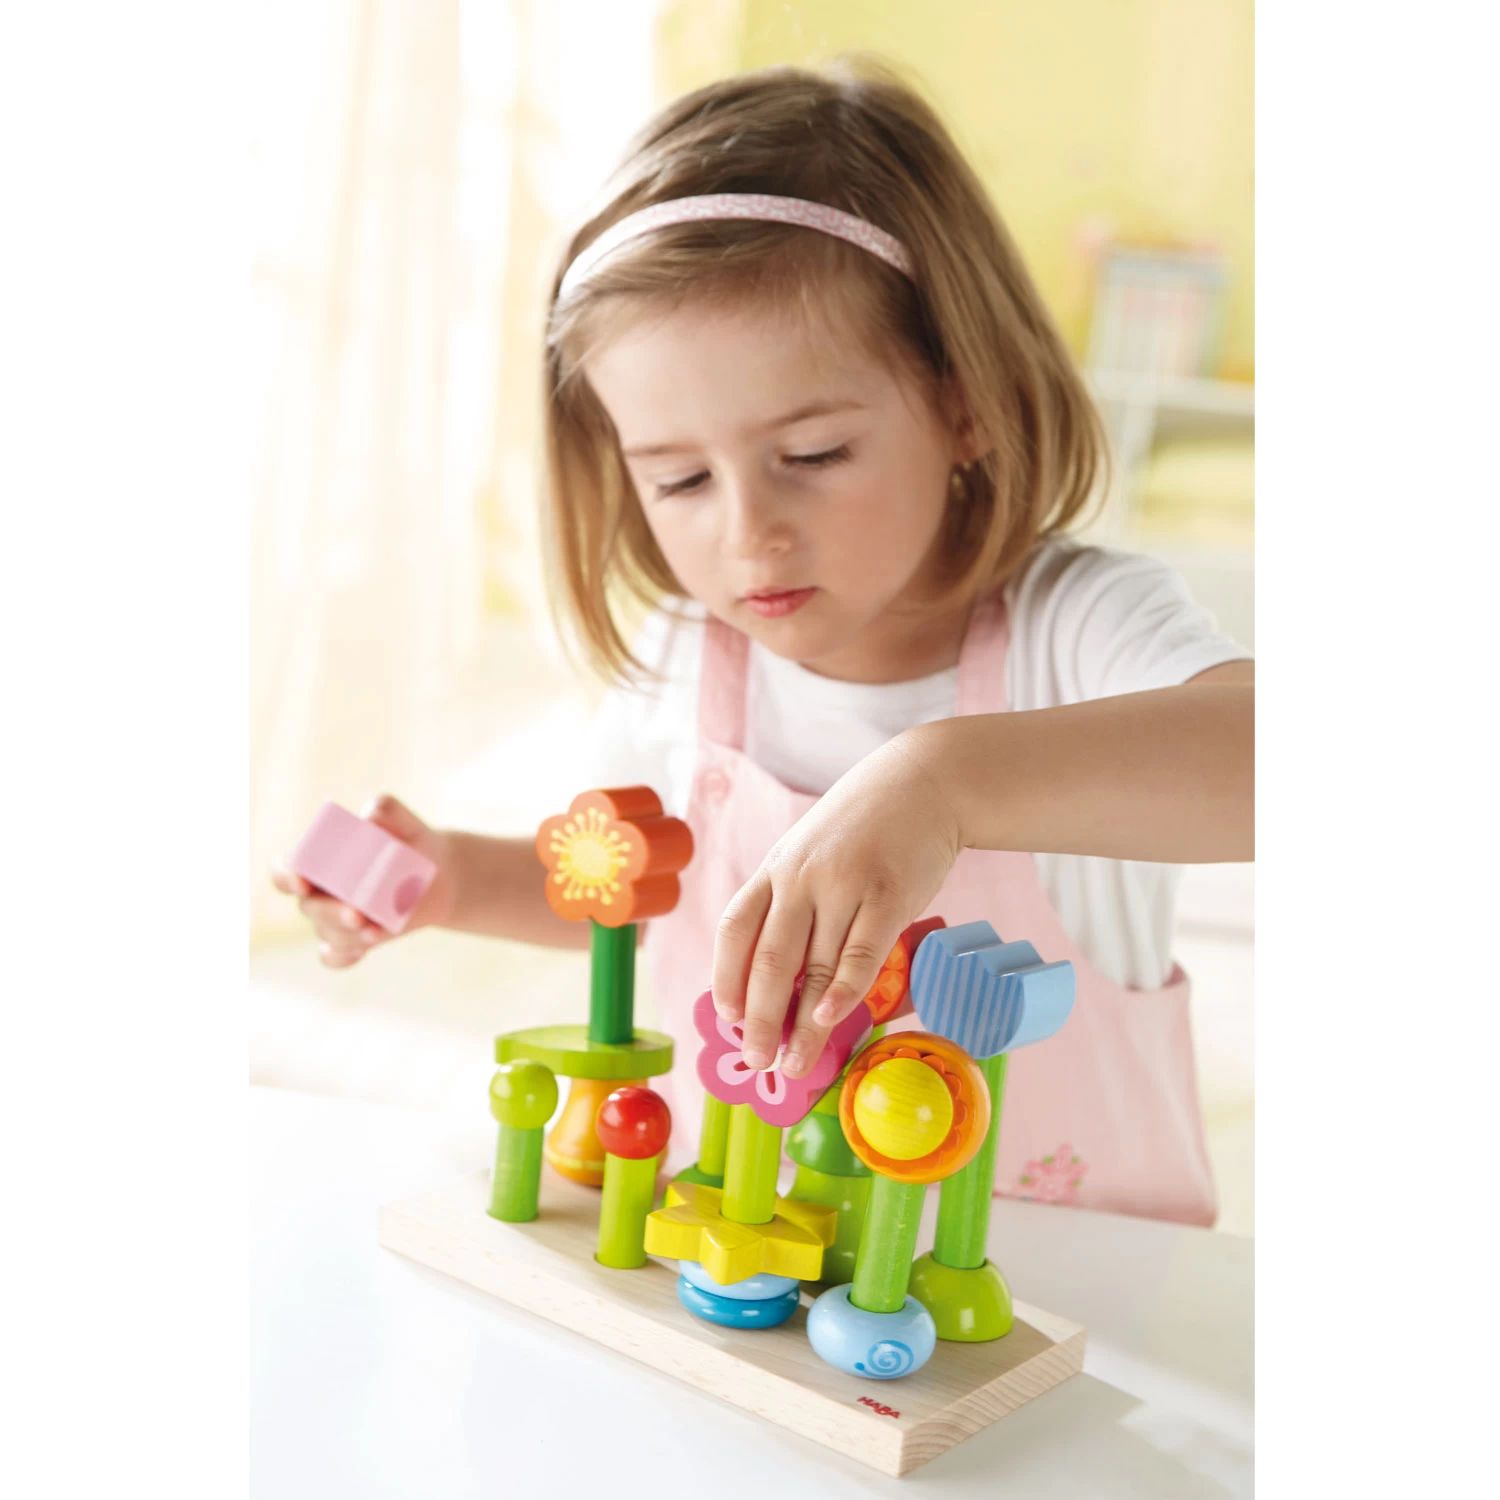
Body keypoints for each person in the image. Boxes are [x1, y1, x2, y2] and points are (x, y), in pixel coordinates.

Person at [273, 62, 1252, 1226]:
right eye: (680, 479)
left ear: (964, 402)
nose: (749, 534)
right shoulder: (685, 654)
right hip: (737, 1255)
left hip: (1067, 1292)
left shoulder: (1076, 626)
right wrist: (453, 878)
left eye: (814, 455)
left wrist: (943, 781)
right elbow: (642, 897)